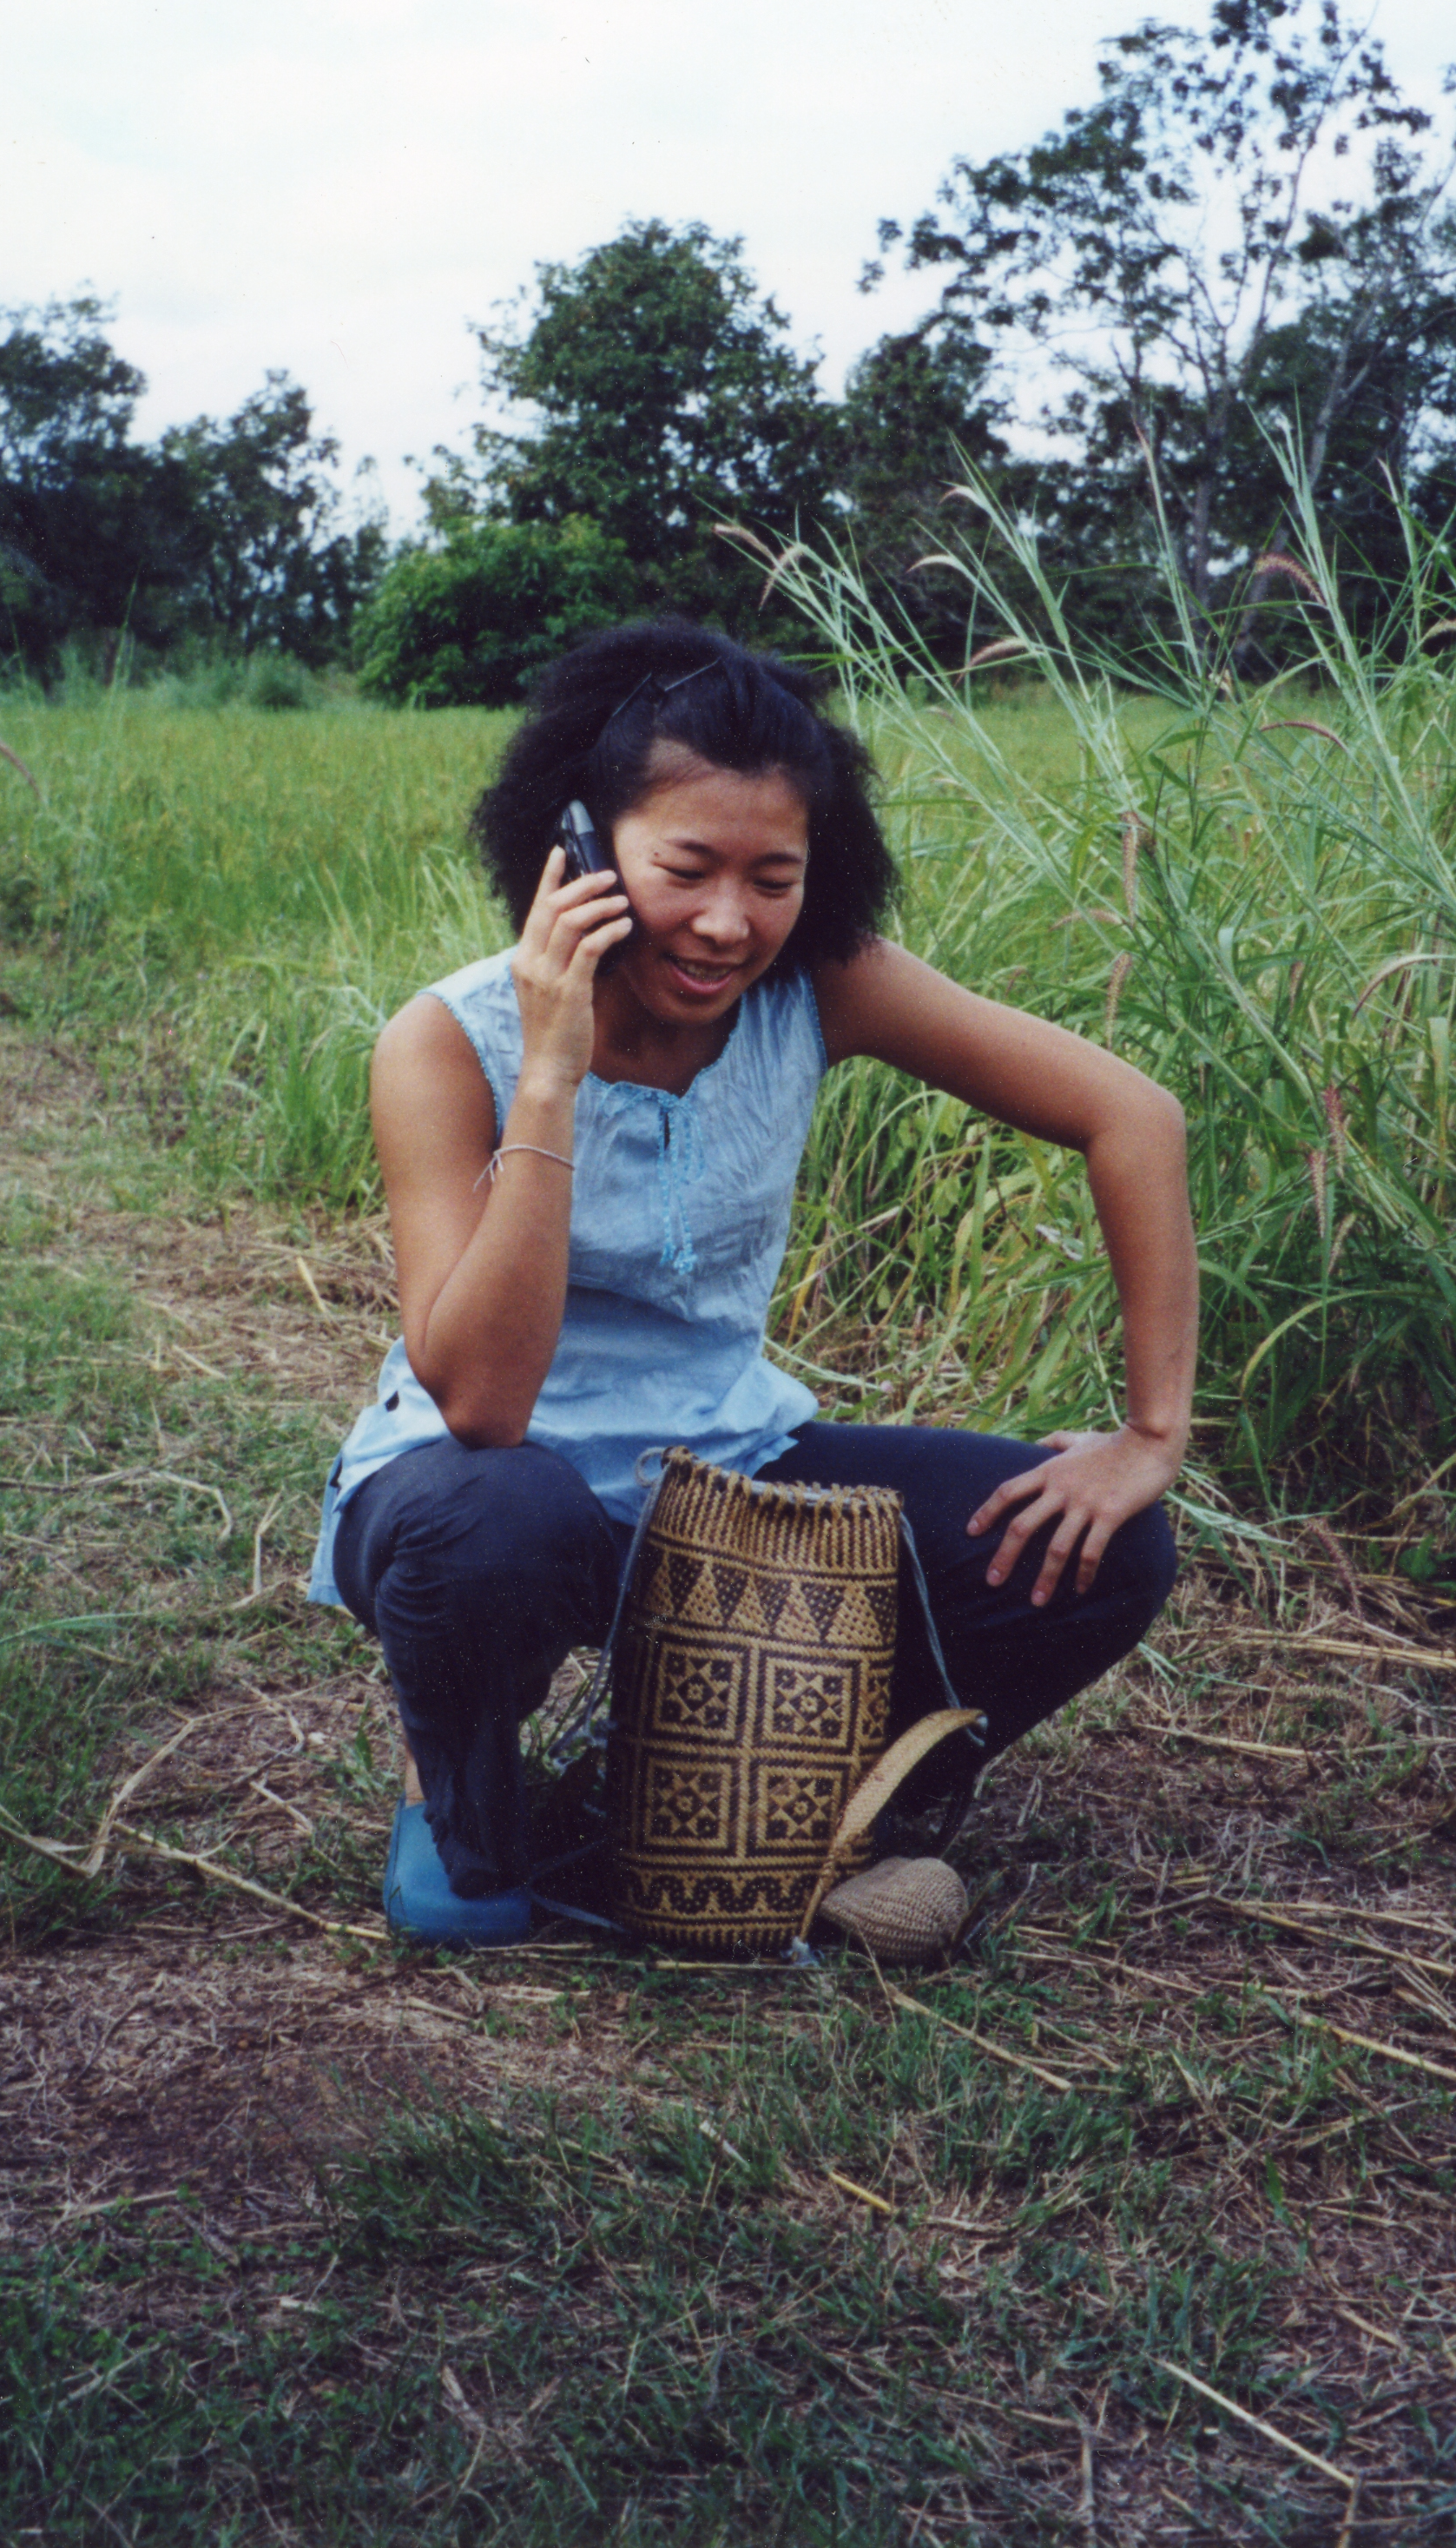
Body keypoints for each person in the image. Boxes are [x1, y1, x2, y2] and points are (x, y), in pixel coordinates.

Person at [308, 620, 1196, 1944]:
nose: (728, 922)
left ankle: (770, 1806)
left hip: (726, 1473)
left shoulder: (818, 992)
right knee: (480, 1528)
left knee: (1101, 1551)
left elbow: (1133, 1116)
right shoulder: (445, 1044)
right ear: (581, 845)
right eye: (687, 868)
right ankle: (467, 1812)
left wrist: (1150, 1434)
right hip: (487, 1484)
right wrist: (552, 1072)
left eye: (773, 878)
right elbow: (485, 1401)